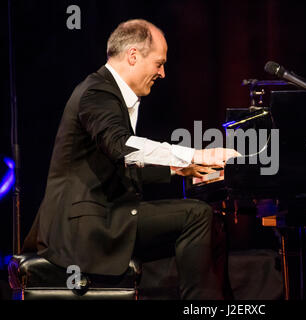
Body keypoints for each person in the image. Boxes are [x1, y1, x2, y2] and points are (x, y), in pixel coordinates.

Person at [22, 19, 239, 300]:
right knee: (197, 215)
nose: (162, 73)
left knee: (213, 224)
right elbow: (121, 148)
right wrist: (195, 154)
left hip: (104, 219)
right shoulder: (97, 92)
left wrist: (181, 169)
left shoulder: (109, 93)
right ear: (133, 55)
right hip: (84, 229)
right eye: (159, 63)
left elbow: (119, 166)